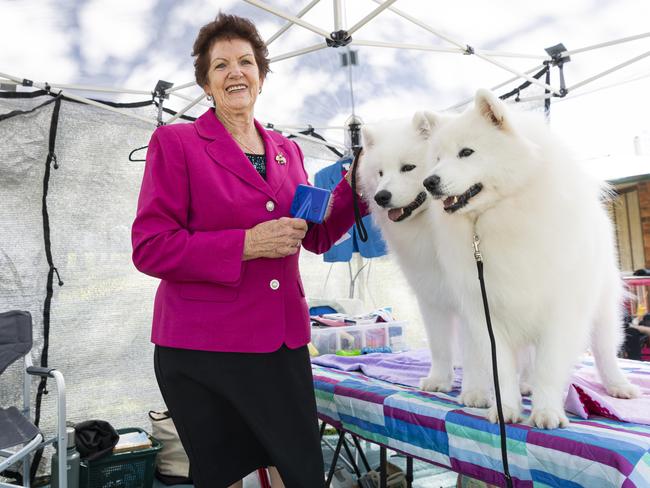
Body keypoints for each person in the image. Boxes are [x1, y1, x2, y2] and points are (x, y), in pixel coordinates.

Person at [131, 12, 364, 488]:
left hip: (280, 342)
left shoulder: (287, 149)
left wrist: (356, 187)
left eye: (245, 62)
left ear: (261, 74)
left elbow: (312, 234)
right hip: (201, 348)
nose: (235, 72)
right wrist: (246, 245)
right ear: (206, 81)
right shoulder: (176, 143)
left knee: (300, 472)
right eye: (221, 65)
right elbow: (151, 248)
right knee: (222, 474)